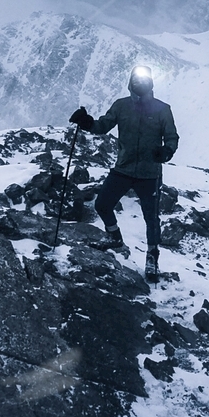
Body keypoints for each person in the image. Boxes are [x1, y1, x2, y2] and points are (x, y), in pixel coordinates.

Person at [69, 66, 179, 280]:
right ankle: (114, 238)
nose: (140, 82)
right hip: (124, 168)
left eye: (144, 78)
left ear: (151, 82)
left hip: (150, 173)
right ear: (131, 81)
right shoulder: (121, 106)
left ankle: (152, 257)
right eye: (137, 78)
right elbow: (103, 126)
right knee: (102, 205)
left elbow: (172, 137)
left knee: (151, 218)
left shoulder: (162, 109)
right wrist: (87, 122)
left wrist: (166, 152)